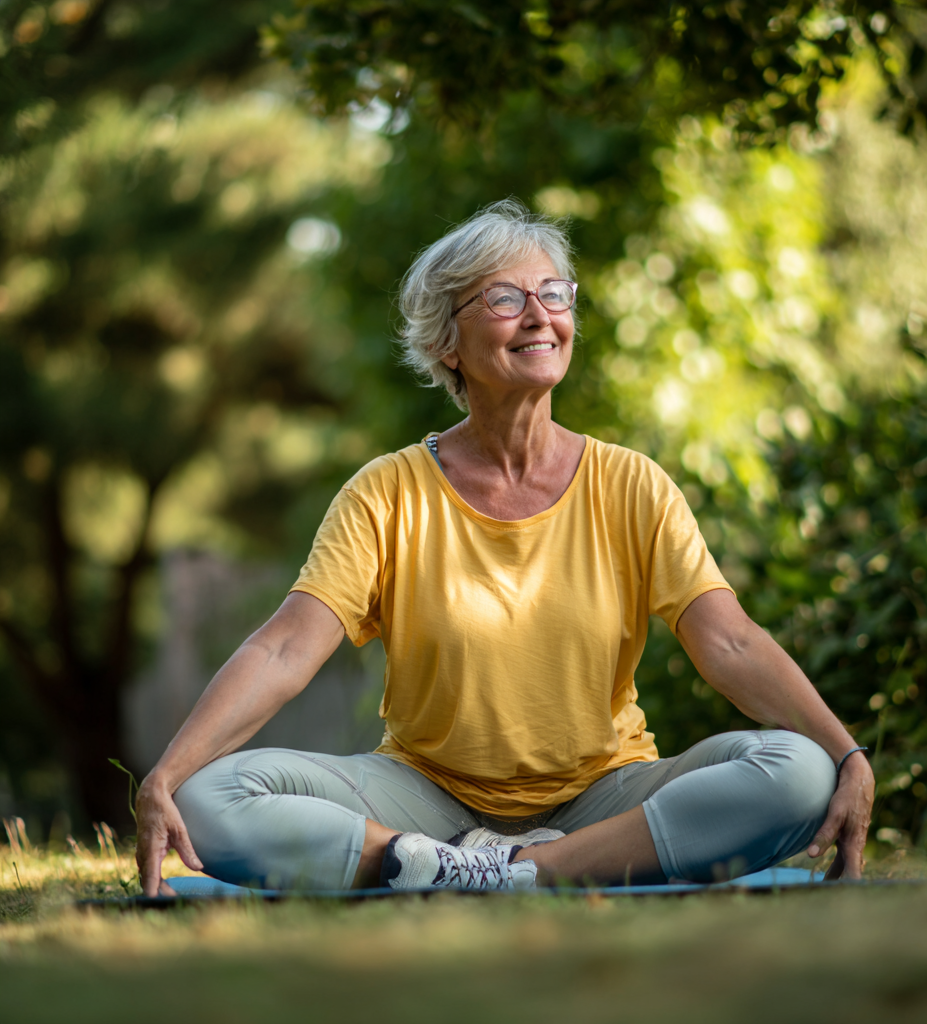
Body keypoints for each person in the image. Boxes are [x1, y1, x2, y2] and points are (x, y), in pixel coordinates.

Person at [135, 200, 874, 895]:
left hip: (602, 793)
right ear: (446, 342)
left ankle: (519, 871)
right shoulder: (386, 492)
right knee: (206, 798)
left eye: (554, 294)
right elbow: (286, 648)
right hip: (423, 797)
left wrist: (847, 756)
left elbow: (732, 645)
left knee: (799, 773)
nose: (540, 316)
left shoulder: (631, 484)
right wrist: (166, 774)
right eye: (504, 298)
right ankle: (432, 862)